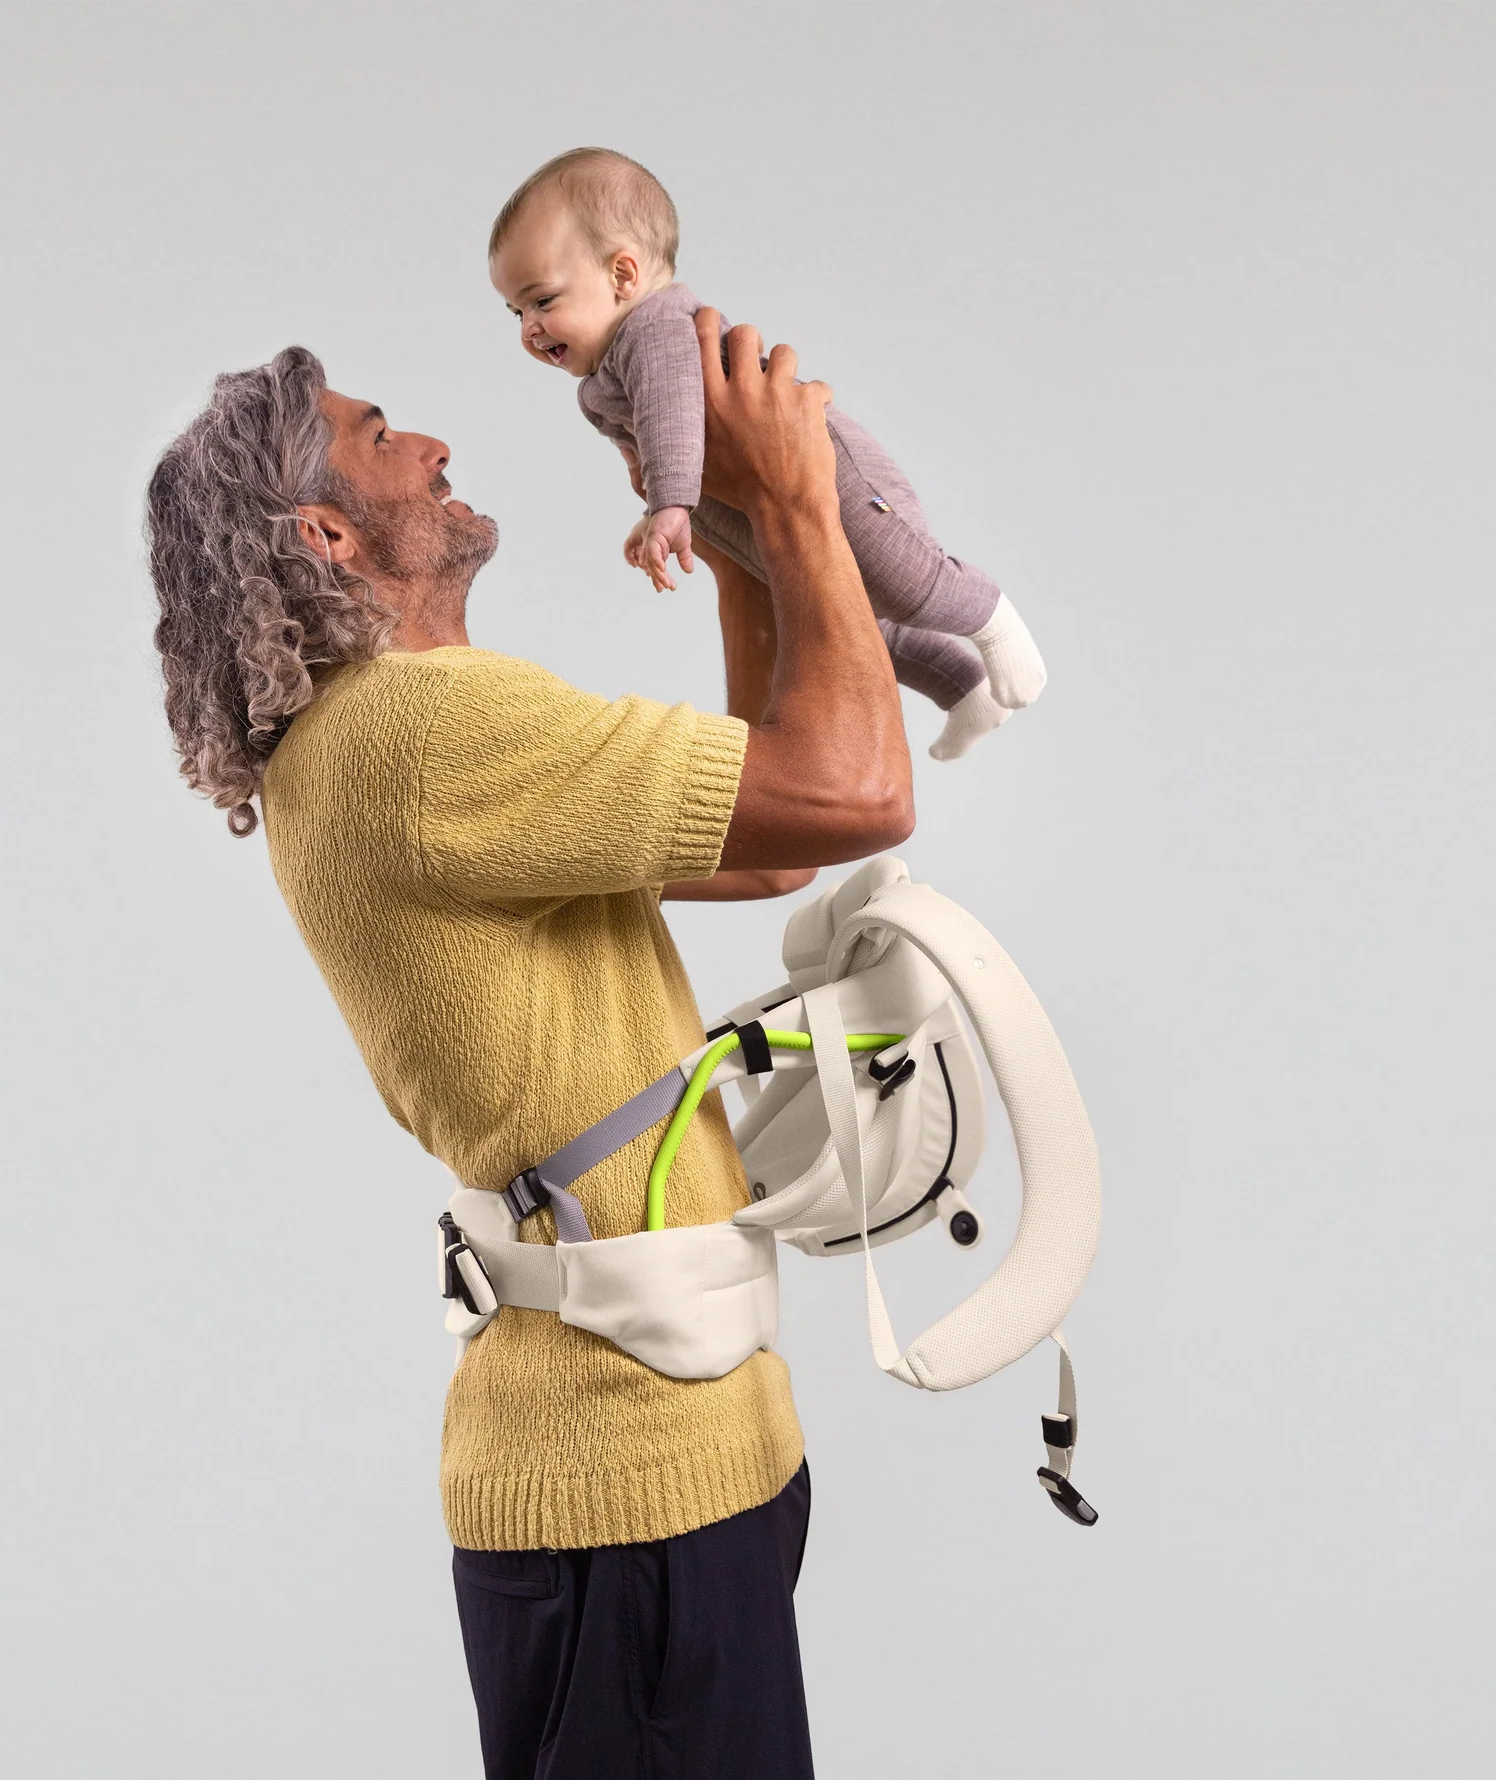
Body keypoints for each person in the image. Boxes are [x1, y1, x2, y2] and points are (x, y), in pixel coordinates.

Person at [145, 311, 915, 1779]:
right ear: (328, 533)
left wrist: (740, 545)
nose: (433, 446)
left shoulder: (385, 742)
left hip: (679, 1464)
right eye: (384, 438)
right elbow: (861, 794)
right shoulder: (421, 733)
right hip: (626, 1493)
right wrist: (801, 501)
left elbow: (776, 845)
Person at [488, 145, 1047, 762]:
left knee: (900, 575)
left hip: (822, 468)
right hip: (748, 509)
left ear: (623, 276)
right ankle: (965, 690)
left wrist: (671, 504)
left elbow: (673, 416)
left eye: (543, 301)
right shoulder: (602, 381)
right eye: (516, 311)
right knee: (840, 619)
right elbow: (658, 448)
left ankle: (992, 617)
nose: (528, 328)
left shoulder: (655, 327)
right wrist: (656, 511)